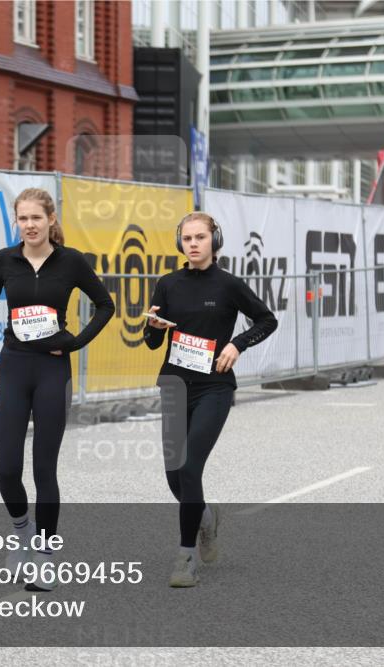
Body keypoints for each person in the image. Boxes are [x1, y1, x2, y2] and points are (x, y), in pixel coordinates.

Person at [0, 188, 115, 591]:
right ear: (16, 222)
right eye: (23, 218)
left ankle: (46, 556)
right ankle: (22, 535)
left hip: (53, 370)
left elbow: (105, 304)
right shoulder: (6, 259)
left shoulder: (71, 262)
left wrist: (74, 343)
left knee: (44, 470)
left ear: (51, 219)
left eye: (37, 217)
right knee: (7, 469)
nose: (30, 225)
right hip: (15, 368)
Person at [143, 212, 278, 587]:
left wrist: (237, 343)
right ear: (179, 243)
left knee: (189, 469)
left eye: (200, 237)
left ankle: (186, 558)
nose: (194, 244)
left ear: (214, 241)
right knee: (174, 477)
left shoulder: (229, 285)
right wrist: (151, 328)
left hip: (214, 387)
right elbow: (153, 341)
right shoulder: (167, 284)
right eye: (187, 238)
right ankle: (206, 517)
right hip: (174, 384)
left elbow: (267, 320)